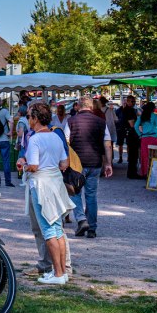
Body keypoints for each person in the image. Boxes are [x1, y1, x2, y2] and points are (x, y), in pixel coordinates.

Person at [18, 101, 74, 284]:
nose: (28, 120)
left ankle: (57, 273)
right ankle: (62, 271)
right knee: (58, 230)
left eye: (29, 117)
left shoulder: (35, 139)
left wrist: (23, 166)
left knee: (48, 230)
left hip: (41, 185)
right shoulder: (56, 136)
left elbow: (33, 166)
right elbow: (64, 162)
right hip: (55, 183)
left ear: (35, 118)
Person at [67, 95, 114, 238]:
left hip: (77, 164)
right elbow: (108, 144)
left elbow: (66, 142)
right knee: (91, 195)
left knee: (74, 192)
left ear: (78, 106)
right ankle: (92, 228)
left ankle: (81, 220)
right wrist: (108, 163)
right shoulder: (101, 122)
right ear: (91, 106)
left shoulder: (71, 121)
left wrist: (65, 162)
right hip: (95, 163)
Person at [136, 101, 157, 177]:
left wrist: (140, 134)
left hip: (144, 138)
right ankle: (153, 174)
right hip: (153, 138)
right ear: (153, 108)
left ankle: (145, 173)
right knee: (154, 156)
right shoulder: (155, 116)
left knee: (144, 156)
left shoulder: (142, 116)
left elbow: (136, 126)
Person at [0, 99, 15, 189]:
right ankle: (8, 181)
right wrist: (10, 132)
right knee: (6, 161)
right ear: (1, 102)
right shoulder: (4, 111)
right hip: (4, 139)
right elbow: (12, 121)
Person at [119, 95, 141, 179]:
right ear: (127, 101)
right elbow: (132, 124)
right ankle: (132, 173)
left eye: (134, 101)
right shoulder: (129, 110)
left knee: (133, 155)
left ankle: (132, 173)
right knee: (133, 155)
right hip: (131, 134)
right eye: (132, 101)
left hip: (129, 133)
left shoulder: (128, 110)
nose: (133, 103)